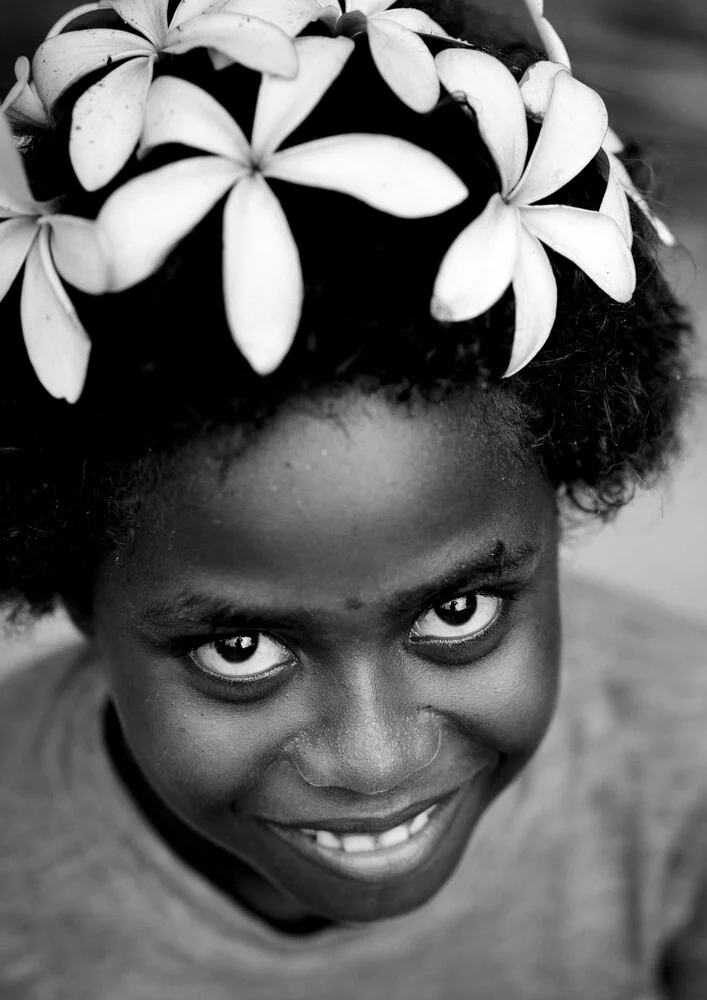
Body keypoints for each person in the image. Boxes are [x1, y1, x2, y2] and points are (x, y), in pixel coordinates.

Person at [0, 0, 704, 996]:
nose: (371, 761)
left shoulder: (683, 784)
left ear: (559, 498)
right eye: (236, 648)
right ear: (74, 589)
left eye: (456, 611)